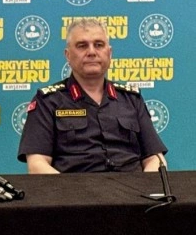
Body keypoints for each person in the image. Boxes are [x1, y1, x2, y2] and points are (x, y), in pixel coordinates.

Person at [18, 18, 167, 173]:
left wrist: (144, 186)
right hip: (72, 186)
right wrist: (72, 189)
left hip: (133, 186)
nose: (91, 52)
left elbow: (155, 158)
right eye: (82, 46)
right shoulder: (48, 101)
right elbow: (37, 164)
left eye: (99, 45)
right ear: (68, 55)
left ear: (109, 53)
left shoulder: (131, 99)